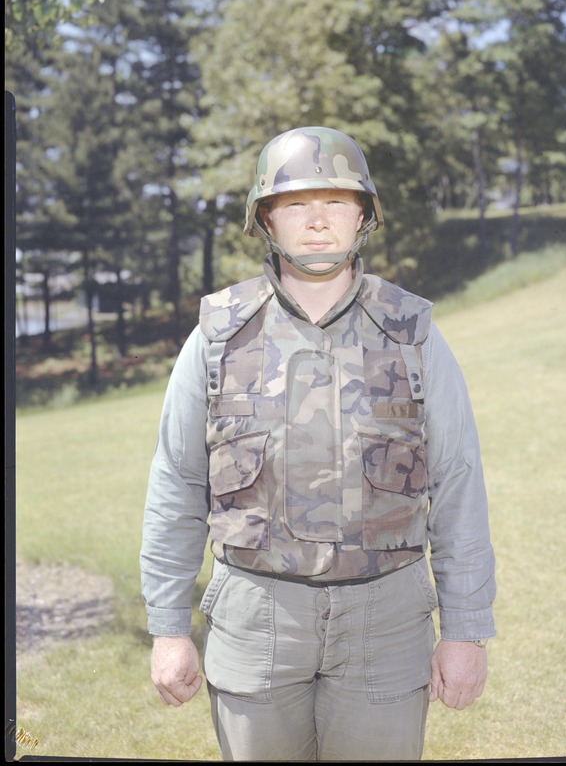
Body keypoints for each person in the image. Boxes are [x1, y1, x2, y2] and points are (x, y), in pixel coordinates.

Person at [140, 126, 496, 762]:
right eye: (296, 204)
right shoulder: (218, 336)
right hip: (254, 618)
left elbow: (457, 481)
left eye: (335, 202)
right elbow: (177, 484)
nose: (317, 222)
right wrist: (169, 628)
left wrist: (466, 629)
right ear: (266, 220)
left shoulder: (412, 333)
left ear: (363, 216)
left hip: (386, 623)